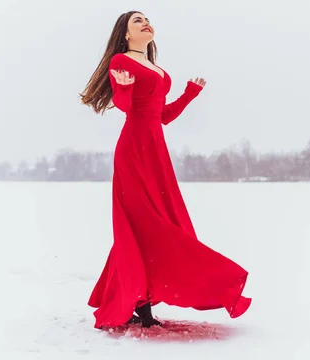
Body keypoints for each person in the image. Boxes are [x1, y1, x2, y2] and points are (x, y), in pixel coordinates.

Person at [80, 10, 251, 329]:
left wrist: (189, 94)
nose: (145, 22)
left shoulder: (157, 70)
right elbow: (125, 106)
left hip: (156, 152)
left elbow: (163, 116)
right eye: (136, 21)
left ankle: (131, 297)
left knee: (159, 219)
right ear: (127, 33)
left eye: (147, 19)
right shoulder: (121, 62)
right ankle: (139, 305)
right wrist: (126, 88)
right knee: (143, 222)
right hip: (133, 151)